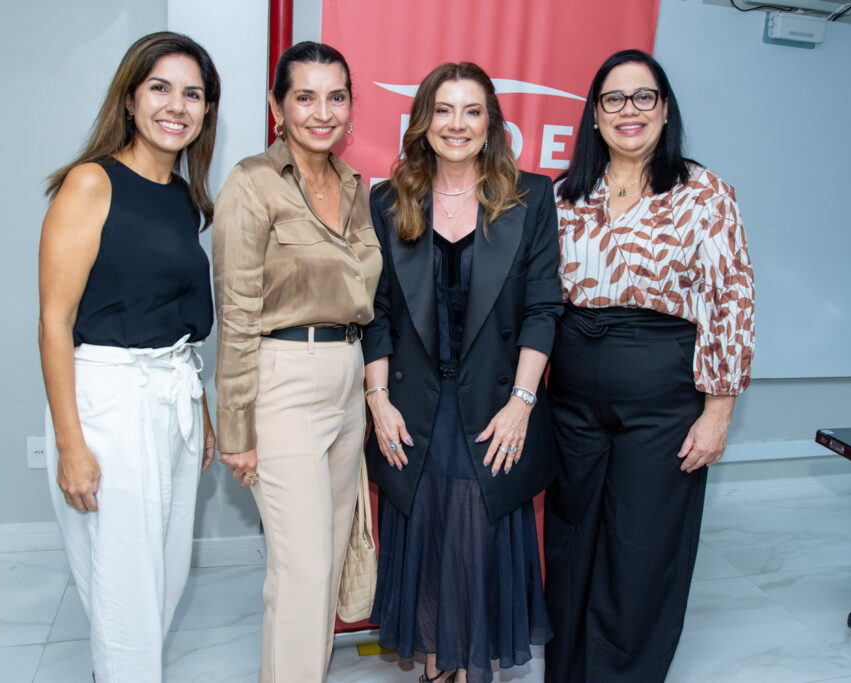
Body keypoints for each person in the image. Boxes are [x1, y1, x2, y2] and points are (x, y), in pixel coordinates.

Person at [543, 49, 756, 682]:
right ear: (594, 115)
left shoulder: (703, 192)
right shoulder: (564, 195)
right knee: (572, 543)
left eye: (643, 97)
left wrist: (718, 412)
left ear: (665, 111)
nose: (628, 110)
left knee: (641, 551)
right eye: (614, 98)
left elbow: (732, 302)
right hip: (573, 400)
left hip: (663, 400)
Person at [363, 62, 561, 683]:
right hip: (412, 407)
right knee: (422, 546)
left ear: (491, 122)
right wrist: (377, 399)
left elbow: (542, 308)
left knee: (475, 548)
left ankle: (468, 670)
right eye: (443, 110)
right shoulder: (389, 200)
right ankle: (433, 670)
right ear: (423, 120)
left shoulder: (530, 197)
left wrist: (523, 402)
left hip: (494, 409)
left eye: (471, 110)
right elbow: (376, 310)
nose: (457, 124)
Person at [38, 31, 220, 682]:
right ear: (131, 97)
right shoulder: (91, 183)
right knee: (125, 589)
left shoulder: (182, 197)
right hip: (110, 402)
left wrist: (199, 409)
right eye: (161, 88)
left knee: (163, 578)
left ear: (206, 112)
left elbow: (173, 314)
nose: (177, 105)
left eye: (193, 94)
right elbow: (55, 322)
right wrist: (70, 444)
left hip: (171, 396)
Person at [212, 41, 381, 682]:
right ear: (277, 107)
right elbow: (236, 310)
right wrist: (236, 430)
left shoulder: (351, 185)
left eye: (335, 96)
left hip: (346, 374)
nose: (322, 111)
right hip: (280, 377)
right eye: (304, 96)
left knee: (330, 561)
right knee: (303, 570)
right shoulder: (253, 183)